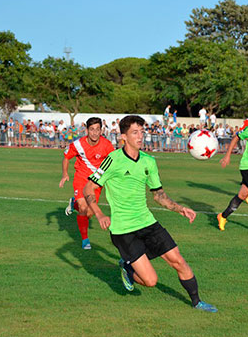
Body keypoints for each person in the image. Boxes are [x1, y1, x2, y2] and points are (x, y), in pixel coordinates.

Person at [82, 115, 217, 312]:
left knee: (178, 260)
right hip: (123, 229)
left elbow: (159, 196)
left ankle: (197, 302)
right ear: (123, 137)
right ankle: (128, 268)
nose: (140, 136)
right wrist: (100, 214)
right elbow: (88, 188)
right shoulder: (112, 160)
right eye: (134, 133)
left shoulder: (149, 161)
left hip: (147, 223)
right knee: (150, 281)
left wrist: (180, 209)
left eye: (142, 132)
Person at [59, 117, 114, 250]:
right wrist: (65, 174)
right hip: (81, 178)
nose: (95, 133)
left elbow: (114, 163)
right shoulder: (78, 144)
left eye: (97, 129)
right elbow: (66, 158)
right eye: (92, 129)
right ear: (87, 130)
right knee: (83, 208)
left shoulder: (107, 145)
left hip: (96, 182)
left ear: (101, 130)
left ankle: (74, 203)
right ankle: (85, 240)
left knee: (89, 213)